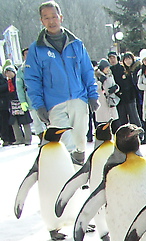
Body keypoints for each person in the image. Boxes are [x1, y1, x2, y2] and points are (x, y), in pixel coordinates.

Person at [25, 0, 99, 164]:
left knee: (80, 139)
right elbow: (32, 79)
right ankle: (73, 175)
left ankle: (78, 165)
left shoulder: (76, 44)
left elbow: (87, 71)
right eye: (46, 18)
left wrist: (92, 96)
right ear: (41, 21)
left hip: (78, 98)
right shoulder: (37, 49)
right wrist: (39, 105)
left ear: (61, 17)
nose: (51, 21)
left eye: (54, 16)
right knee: (66, 141)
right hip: (54, 102)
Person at [16, 48, 45, 142]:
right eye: (26, 54)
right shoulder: (22, 70)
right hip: (31, 99)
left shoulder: (41, 65)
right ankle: (42, 138)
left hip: (45, 97)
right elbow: (20, 87)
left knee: (49, 119)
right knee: (37, 122)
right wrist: (22, 101)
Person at [3, 65, 33, 145]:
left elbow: (20, 89)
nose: (7, 74)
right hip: (12, 104)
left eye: (9, 72)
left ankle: (28, 139)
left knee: (25, 121)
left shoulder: (18, 79)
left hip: (21, 102)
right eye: (6, 73)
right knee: (14, 122)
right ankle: (19, 139)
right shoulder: (8, 82)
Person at [115, 52, 142, 130]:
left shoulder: (136, 68)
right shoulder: (124, 70)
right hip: (126, 97)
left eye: (129, 59)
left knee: (135, 117)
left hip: (134, 96)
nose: (127, 61)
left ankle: (140, 133)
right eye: (125, 59)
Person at [95, 58, 119, 124]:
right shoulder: (96, 76)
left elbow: (114, 84)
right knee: (104, 121)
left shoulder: (110, 75)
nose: (108, 69)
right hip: (102, 101)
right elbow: (95, 88)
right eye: (106, 68)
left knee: (113, 120)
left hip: (110, 100)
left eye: (108, 67)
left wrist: (115, 88)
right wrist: (100, 82)